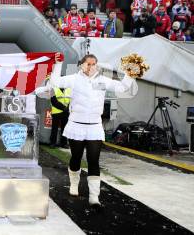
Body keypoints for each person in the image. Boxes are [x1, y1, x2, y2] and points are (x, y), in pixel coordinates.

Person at [44, 53, 135, 207]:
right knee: (76, 158)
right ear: (82, 65)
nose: (91, 67)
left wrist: (130, 74)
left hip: (94, 127)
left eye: (94, 64)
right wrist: (58, 64)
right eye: (88, 64)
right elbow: (55, 82)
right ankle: (74, 184)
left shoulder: (102, 80)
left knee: (94, 160)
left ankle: (94, 197)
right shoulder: (73, 78)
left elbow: (123, 87)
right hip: (76, 125)